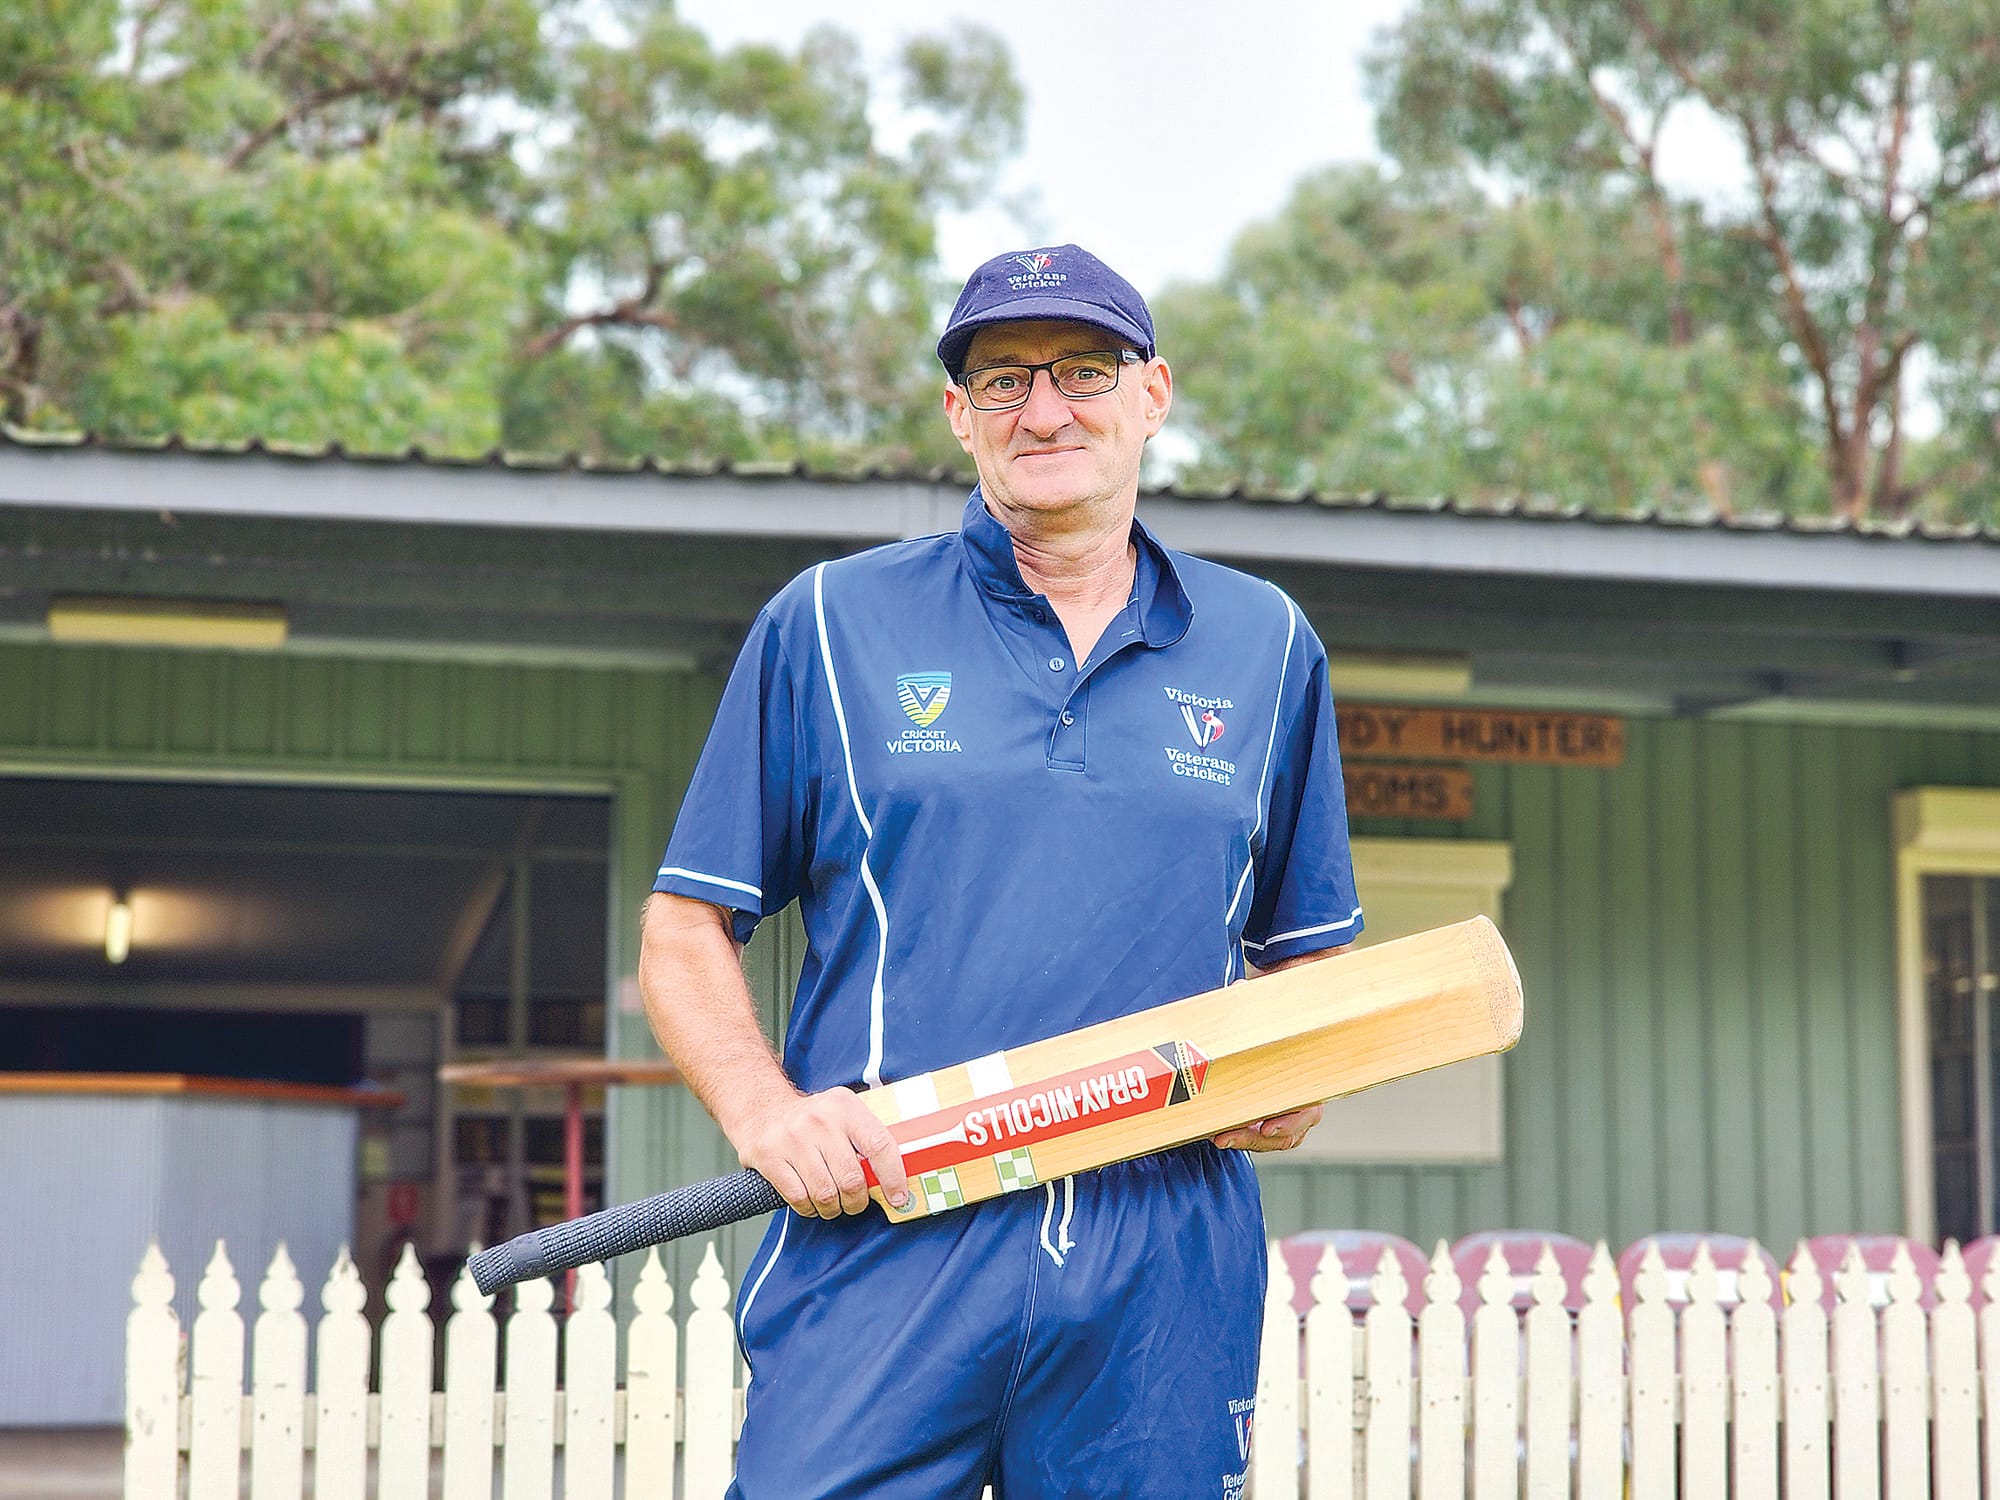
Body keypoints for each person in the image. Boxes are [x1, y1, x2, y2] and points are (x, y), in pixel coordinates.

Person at [641, 243, 1362, 1498]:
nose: (1042, 410)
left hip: (1162, 1243)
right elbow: (684, 926)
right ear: (956, 414)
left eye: (1083, 371)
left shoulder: (1267, 642)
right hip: (887, 1217)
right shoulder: (830, 622)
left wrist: (1302, 1068)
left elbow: (1311, 955)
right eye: (1001, 380)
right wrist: (766, 1114)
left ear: (1151, 395)